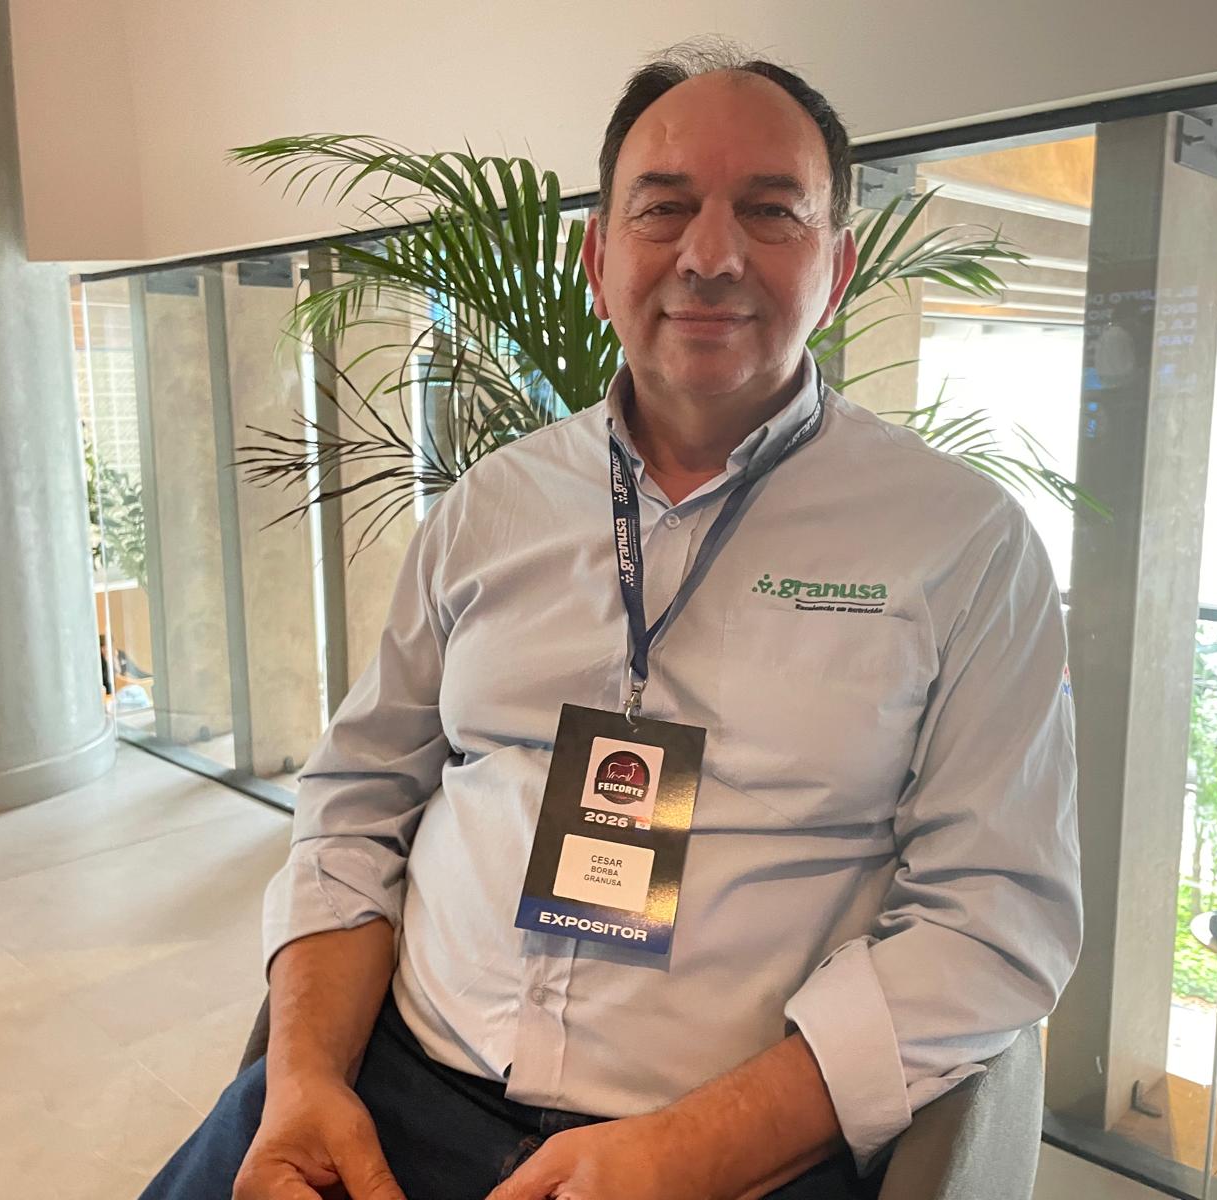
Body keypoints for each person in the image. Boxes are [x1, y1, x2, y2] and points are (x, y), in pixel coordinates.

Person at [140, 41, 1080, 1200]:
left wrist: (690, 1152)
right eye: (663, 207)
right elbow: (356, 803)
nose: (710, 256)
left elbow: (994, 920)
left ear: (835, 268)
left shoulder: (963, 544)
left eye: (769, 211)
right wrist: (301, 1079)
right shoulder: (488, 507)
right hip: (390, 1097)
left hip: (728, 1154)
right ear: (597, 257)